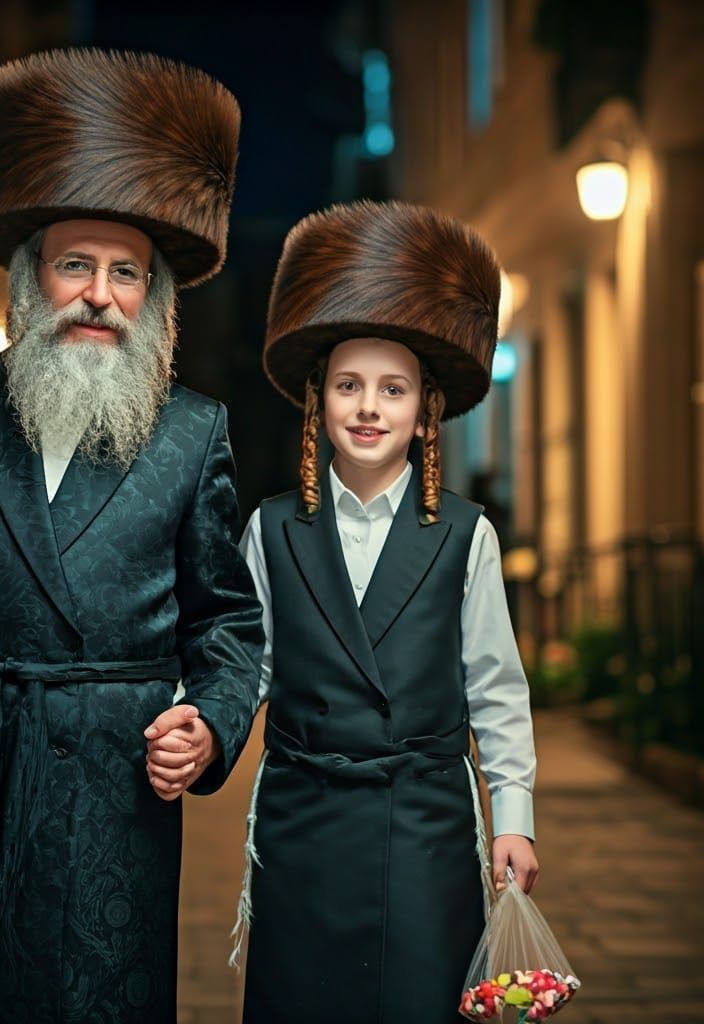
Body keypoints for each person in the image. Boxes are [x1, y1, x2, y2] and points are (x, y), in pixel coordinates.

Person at [0, 48, 263, 1023]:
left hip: (112, 804)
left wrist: (209, 725)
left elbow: (230, 628)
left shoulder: (194, 434)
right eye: (77, 264)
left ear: (152, 297)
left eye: (126, 273)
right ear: (33, 277)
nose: (99, 294)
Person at [229, 200, 538, 1023]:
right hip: (303, 821)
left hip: (425, 825)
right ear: (317, 402)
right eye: (349, 386)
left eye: (392, 389)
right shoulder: (270, 527)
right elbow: (246, 667)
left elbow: (496, 686)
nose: (369, 407)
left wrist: (514, 817)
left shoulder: (467, 535)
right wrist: (200, 721)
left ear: (424, 411)